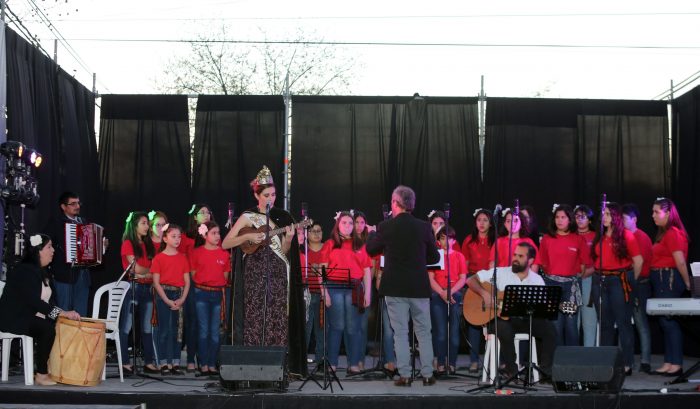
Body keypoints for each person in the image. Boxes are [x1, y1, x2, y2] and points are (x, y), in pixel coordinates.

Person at [221, 165, 307, 377]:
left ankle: (277, 369)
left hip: (278, 276)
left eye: (274, 194)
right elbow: (226, 243)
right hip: (254, 276)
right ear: (256, 195)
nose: (271, 198)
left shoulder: (285, 217)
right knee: (255, 318)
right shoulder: (248, 217)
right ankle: (252, 368)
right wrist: (247, 237)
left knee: (277, 319)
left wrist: (287, 239)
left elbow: (285, 253)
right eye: (267, 195)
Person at [366, 185, 440, 387]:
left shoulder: (386, 226)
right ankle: (427, 374)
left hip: (395, 287)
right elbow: (434, 256)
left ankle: (405, 375)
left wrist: (372, 233)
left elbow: (371, 249)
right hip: (418, 286)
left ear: (394, 203)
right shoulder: (424, 227)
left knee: (400, 333)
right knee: (424, 332)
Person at [467, 242, 556, 380]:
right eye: (514, 254)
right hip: (497, 320)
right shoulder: (500, 272)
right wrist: (484, 294)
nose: (515, 258)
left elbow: (541, 309)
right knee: (504, 328)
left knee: (549, 329)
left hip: (523, 320)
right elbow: (471, 280)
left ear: (530, 260)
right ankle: (511, 370)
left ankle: (545, 372)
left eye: (520, 256)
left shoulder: (536, 280)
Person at [0, 234, 81, 386]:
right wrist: (61, 314)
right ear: (38, 251)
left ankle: (55, 368)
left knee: (55, 325)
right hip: (14, 317)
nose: (53, 251)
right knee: (46, 329)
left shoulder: (42, 271)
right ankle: (41, 374)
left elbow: (48, 302)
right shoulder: (25, 271)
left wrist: (62, 314)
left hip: (29, 314)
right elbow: (34, 302)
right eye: (49, 247)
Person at [591, 203, 642, 374]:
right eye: (603, 214)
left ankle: (627, 363)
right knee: (604, 324)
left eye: (608, 214)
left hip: (618, 280)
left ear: (616, 217)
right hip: (600, 280)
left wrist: (631, 282)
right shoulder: (600, 236)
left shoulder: (626, 236)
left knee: (623, 323)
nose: (604, 217)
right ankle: (607, 362)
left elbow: (638, 261)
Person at [321, 211, 372, 375]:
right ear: (338, 225)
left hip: (354, 288)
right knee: (336, 326)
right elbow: (321, 270)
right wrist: (324, 292)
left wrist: (368, 294)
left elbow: (366, 271)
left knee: (353, 327)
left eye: (351, 223)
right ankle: (333, 363)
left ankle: (354, 363)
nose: (348, 226)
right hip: (334, 287)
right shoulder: (330, 244)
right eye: (344, 223)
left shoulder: (360, 245)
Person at [537, 204, 592, 346]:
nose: (559, 220)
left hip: (570, 287)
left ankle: (572, 360)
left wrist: (573, 278)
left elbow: (584, 265)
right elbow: (542, 263)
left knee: (571, 324)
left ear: (570, 220)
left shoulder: (578, 239)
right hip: (551, 286)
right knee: (555, 325)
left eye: (563, 217)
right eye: (557, 217)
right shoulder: (547, 239)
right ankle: (557, 359)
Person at [45, 191, 105, 316]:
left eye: (78, 203)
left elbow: (88, 249)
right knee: (64, 310)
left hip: (83, 275)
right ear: (63, 206)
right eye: (73, 204)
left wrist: (101, 247)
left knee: (81, 312)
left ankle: (78, 336)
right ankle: (63, 336)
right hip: (63, 274)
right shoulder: (56, 222)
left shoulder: (83, 221)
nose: (77, 206)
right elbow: (45, 244)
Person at [649, 197, 690, 377]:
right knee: (665, 322)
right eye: (653, 212)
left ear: (668, 213)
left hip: (670, 278)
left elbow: (680, 261)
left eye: (656, 212)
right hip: (661, 278)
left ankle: (677, 364)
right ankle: (669, 361)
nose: (653, 216)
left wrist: (688, 283)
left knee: (669, 322)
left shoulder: (673, 233)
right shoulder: (663, 233)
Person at [118, 211, 159, 375]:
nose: (147, 226)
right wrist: (147, 272)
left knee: (147, 327)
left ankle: (149, 362)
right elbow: (135, 268)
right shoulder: (128, 243)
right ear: (134, 225)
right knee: (126, 327)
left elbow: (155, 267)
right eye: (143, 223)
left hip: (148, 288)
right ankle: (125, 362)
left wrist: (147, 273)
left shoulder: (150, 245)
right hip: (134, 287)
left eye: (147, 223)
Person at [190, 221, 230, 376]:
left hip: (217, 294)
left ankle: (212, 364)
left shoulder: (224, 254)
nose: (217, 236)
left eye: (218, 233)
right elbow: (193, 274)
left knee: (215, 331)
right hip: (201, 293)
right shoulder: (197, 252)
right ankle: (203, 364)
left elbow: (225, 276)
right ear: (205, 235)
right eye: (213, 233)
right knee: (203, 330)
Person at [151, 223, 191, 375]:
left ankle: (175, 363)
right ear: (165, 238)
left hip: (179, 295)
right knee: (164, 331)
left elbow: (187, 281)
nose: (177, 239)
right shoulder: (159, 258)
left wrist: (182, 299)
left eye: (179, 236)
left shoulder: (182, 258)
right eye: (173, 236)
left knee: (176, 331)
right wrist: (167, 300)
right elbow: (156, 282)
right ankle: (162, 363)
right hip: (164, 295)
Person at [460, 208, 495, 373]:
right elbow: (464, 267)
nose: (481, 223)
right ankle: (474, 360)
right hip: (473, 283)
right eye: (479, 220)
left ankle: (495, 360)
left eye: (485, 220)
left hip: (491, 283)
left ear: (491, 223)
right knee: (474, 323)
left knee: (494, 322)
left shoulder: (496, 240)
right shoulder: (469, 240)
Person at [180, 203, 214, 372]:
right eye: (202, 213)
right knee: (193, 322)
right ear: (194, 217)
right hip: (192, 283)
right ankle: (191, 358)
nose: (206, 215)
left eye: (208, 212)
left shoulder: (214, 235)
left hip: (210, 284)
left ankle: (206, 360)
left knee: (208, 324)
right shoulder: (186, 238)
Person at [429, 226, 467, 375]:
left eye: (449, 238)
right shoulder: (435, 256)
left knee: (454, 332)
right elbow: (430, 278)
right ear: (438, 240)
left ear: (454, 240)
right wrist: (442, 292)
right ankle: (440, 362)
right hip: (438, 295)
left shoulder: (459, 256)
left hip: (454, 295)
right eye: (443, 238)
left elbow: (463, 278)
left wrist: (451, 291)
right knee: (440, 332)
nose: (446, 241)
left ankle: (451, 363)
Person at [622, 203, 653, 374]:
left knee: (641, 323)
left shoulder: (641, 237)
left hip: (639, 284)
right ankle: (626, 361)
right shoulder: (623, 236)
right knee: (623, 323)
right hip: (626, 284)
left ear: (634, 219)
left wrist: (631, 283)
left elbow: (639, 263)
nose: (622, 221)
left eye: (625, 219)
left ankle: (646, 360)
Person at [301, 222, 325, 363]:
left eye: (319, 230)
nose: (316, 233)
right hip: (307, 293)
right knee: (306, 327)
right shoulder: (304, 251)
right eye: (312, 231)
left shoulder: (327, 249)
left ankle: (321, 358)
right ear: (307, 234)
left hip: (323, 294)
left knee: (321, 328)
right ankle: (302, 359)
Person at [574, 204, 598, 347]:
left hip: (589, 278)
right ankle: (574, 352)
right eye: (577, 217)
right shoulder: (571, 235)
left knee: (589, 318)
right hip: (572, 280)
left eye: (583, 217)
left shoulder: (595, 237)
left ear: (589, 220)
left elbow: (600, 259)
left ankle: (589, 352)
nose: (579, 220)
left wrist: (588, 272)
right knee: (573, 318)